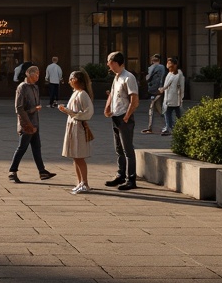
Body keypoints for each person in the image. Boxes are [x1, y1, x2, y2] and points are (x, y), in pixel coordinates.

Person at [8, 65, 55, 183]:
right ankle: (12, 172)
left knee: (36, 148)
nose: (38, 77)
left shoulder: (35, 88)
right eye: (36, 74)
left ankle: (42, 172)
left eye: (39, 74)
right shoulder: (22, 87)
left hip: (35, 123)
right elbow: (19, 108)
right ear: (29, 74)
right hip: (27, 124)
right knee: (22, 148)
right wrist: (29, 122)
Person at [103, 51, 139, 190]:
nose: (108, 64)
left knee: (128, 149)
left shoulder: (128, 77)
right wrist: (107, 107)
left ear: (117, 62)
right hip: (115, 115)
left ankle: (131, 179)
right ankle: (120, 175)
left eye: (109, 62)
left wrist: (127, 115)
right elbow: (112, 93)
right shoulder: (117, 77)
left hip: (124, 117)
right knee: (119, 149)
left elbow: (134, 99)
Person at [58, 69, 95, 193]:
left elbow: (88, 112)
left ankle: (84, 182)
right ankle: (80, 182)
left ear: (76, 80)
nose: (69, 81)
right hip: (73, 124)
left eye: (71, 79)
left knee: (79, 156)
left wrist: (70, 112)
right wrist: (67, 110)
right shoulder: (76, 93)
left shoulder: (83, 94)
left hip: (78, 126)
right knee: (75, 156)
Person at [161, 56, 185, 136]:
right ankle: (173, 127)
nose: (167, 64)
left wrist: (181, 97)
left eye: (169, 63)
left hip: (174, 98)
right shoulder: (169, 73)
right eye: (167, 63)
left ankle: (170, 128)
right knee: (173, 113)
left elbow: (182, 87)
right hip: (168, 97)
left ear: (174, 64)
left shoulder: (179, 74)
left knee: (169, 113)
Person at [142, 54, 166, 133]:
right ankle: (153, 127)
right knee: (157, 107)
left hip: (154, 90)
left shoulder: (152, 67)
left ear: (152, 61)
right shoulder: (163, 67)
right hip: (160, 89)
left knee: (153, 108)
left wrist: (146, 77)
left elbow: (148, 78)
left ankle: (152, 127)